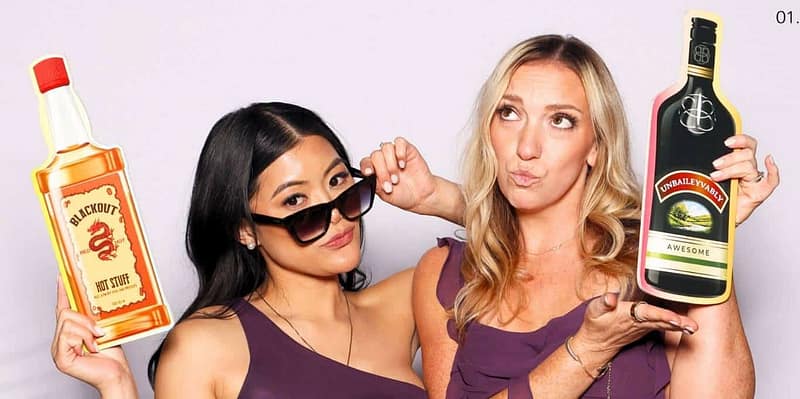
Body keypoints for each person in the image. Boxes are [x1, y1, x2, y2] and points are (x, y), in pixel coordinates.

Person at [372, 35, 778, 399]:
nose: (526, 147)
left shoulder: (650, 261)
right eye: (509, 113)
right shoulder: (448, 274)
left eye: (560, 121)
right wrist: (586, 350)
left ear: (596, 147)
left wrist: (712, 241)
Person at [50, 102, 461, 398]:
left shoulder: (412, 298)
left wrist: (438, 199)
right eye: (295, 201)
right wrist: (117, 385)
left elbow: (523, 259)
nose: (336, 214)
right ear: (246, 230)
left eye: (337, 183)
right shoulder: (203, 347)